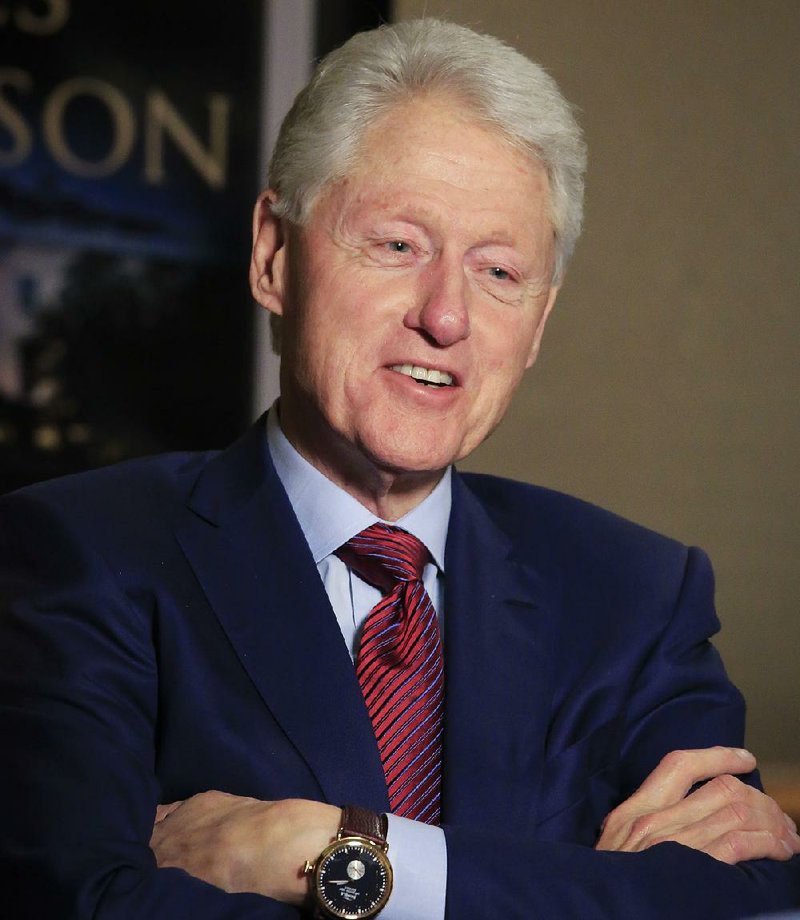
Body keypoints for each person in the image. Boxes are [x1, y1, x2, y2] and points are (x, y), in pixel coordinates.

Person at [0, 18, 798, 920]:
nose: (446, 317)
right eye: (397, 245)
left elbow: (742, 904)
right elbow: (86, 906)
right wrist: (588, 889)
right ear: (273, 255)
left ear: (538, 323)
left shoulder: (638, 597)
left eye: (499, 271)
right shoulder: (79, 555)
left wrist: (329, 853)